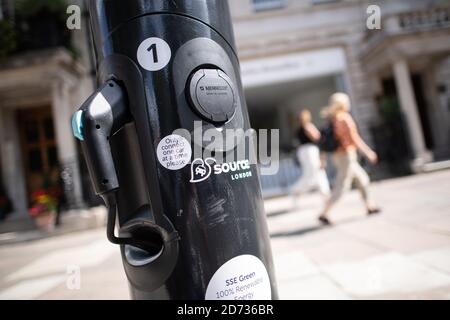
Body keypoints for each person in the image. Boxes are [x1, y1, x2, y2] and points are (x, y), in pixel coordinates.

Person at [318, 93, 380, 225]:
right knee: (342, 186)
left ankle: (370, 206)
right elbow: (354, 139)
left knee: (362, 179)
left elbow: (323, 143)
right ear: (342, 104)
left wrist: (323, 159)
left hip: (338, 156)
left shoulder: (332, 119)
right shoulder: (344, 119)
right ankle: (324, 213)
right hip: (346, 155)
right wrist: (368, 152)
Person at [291, 109, 330, 206]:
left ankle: (325, 195)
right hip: (310, 153)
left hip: (305, 153)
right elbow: (318, 139)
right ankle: (295, 191)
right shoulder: (307, 127)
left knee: (317, 174)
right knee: (312, 175)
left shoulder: (299, 129)